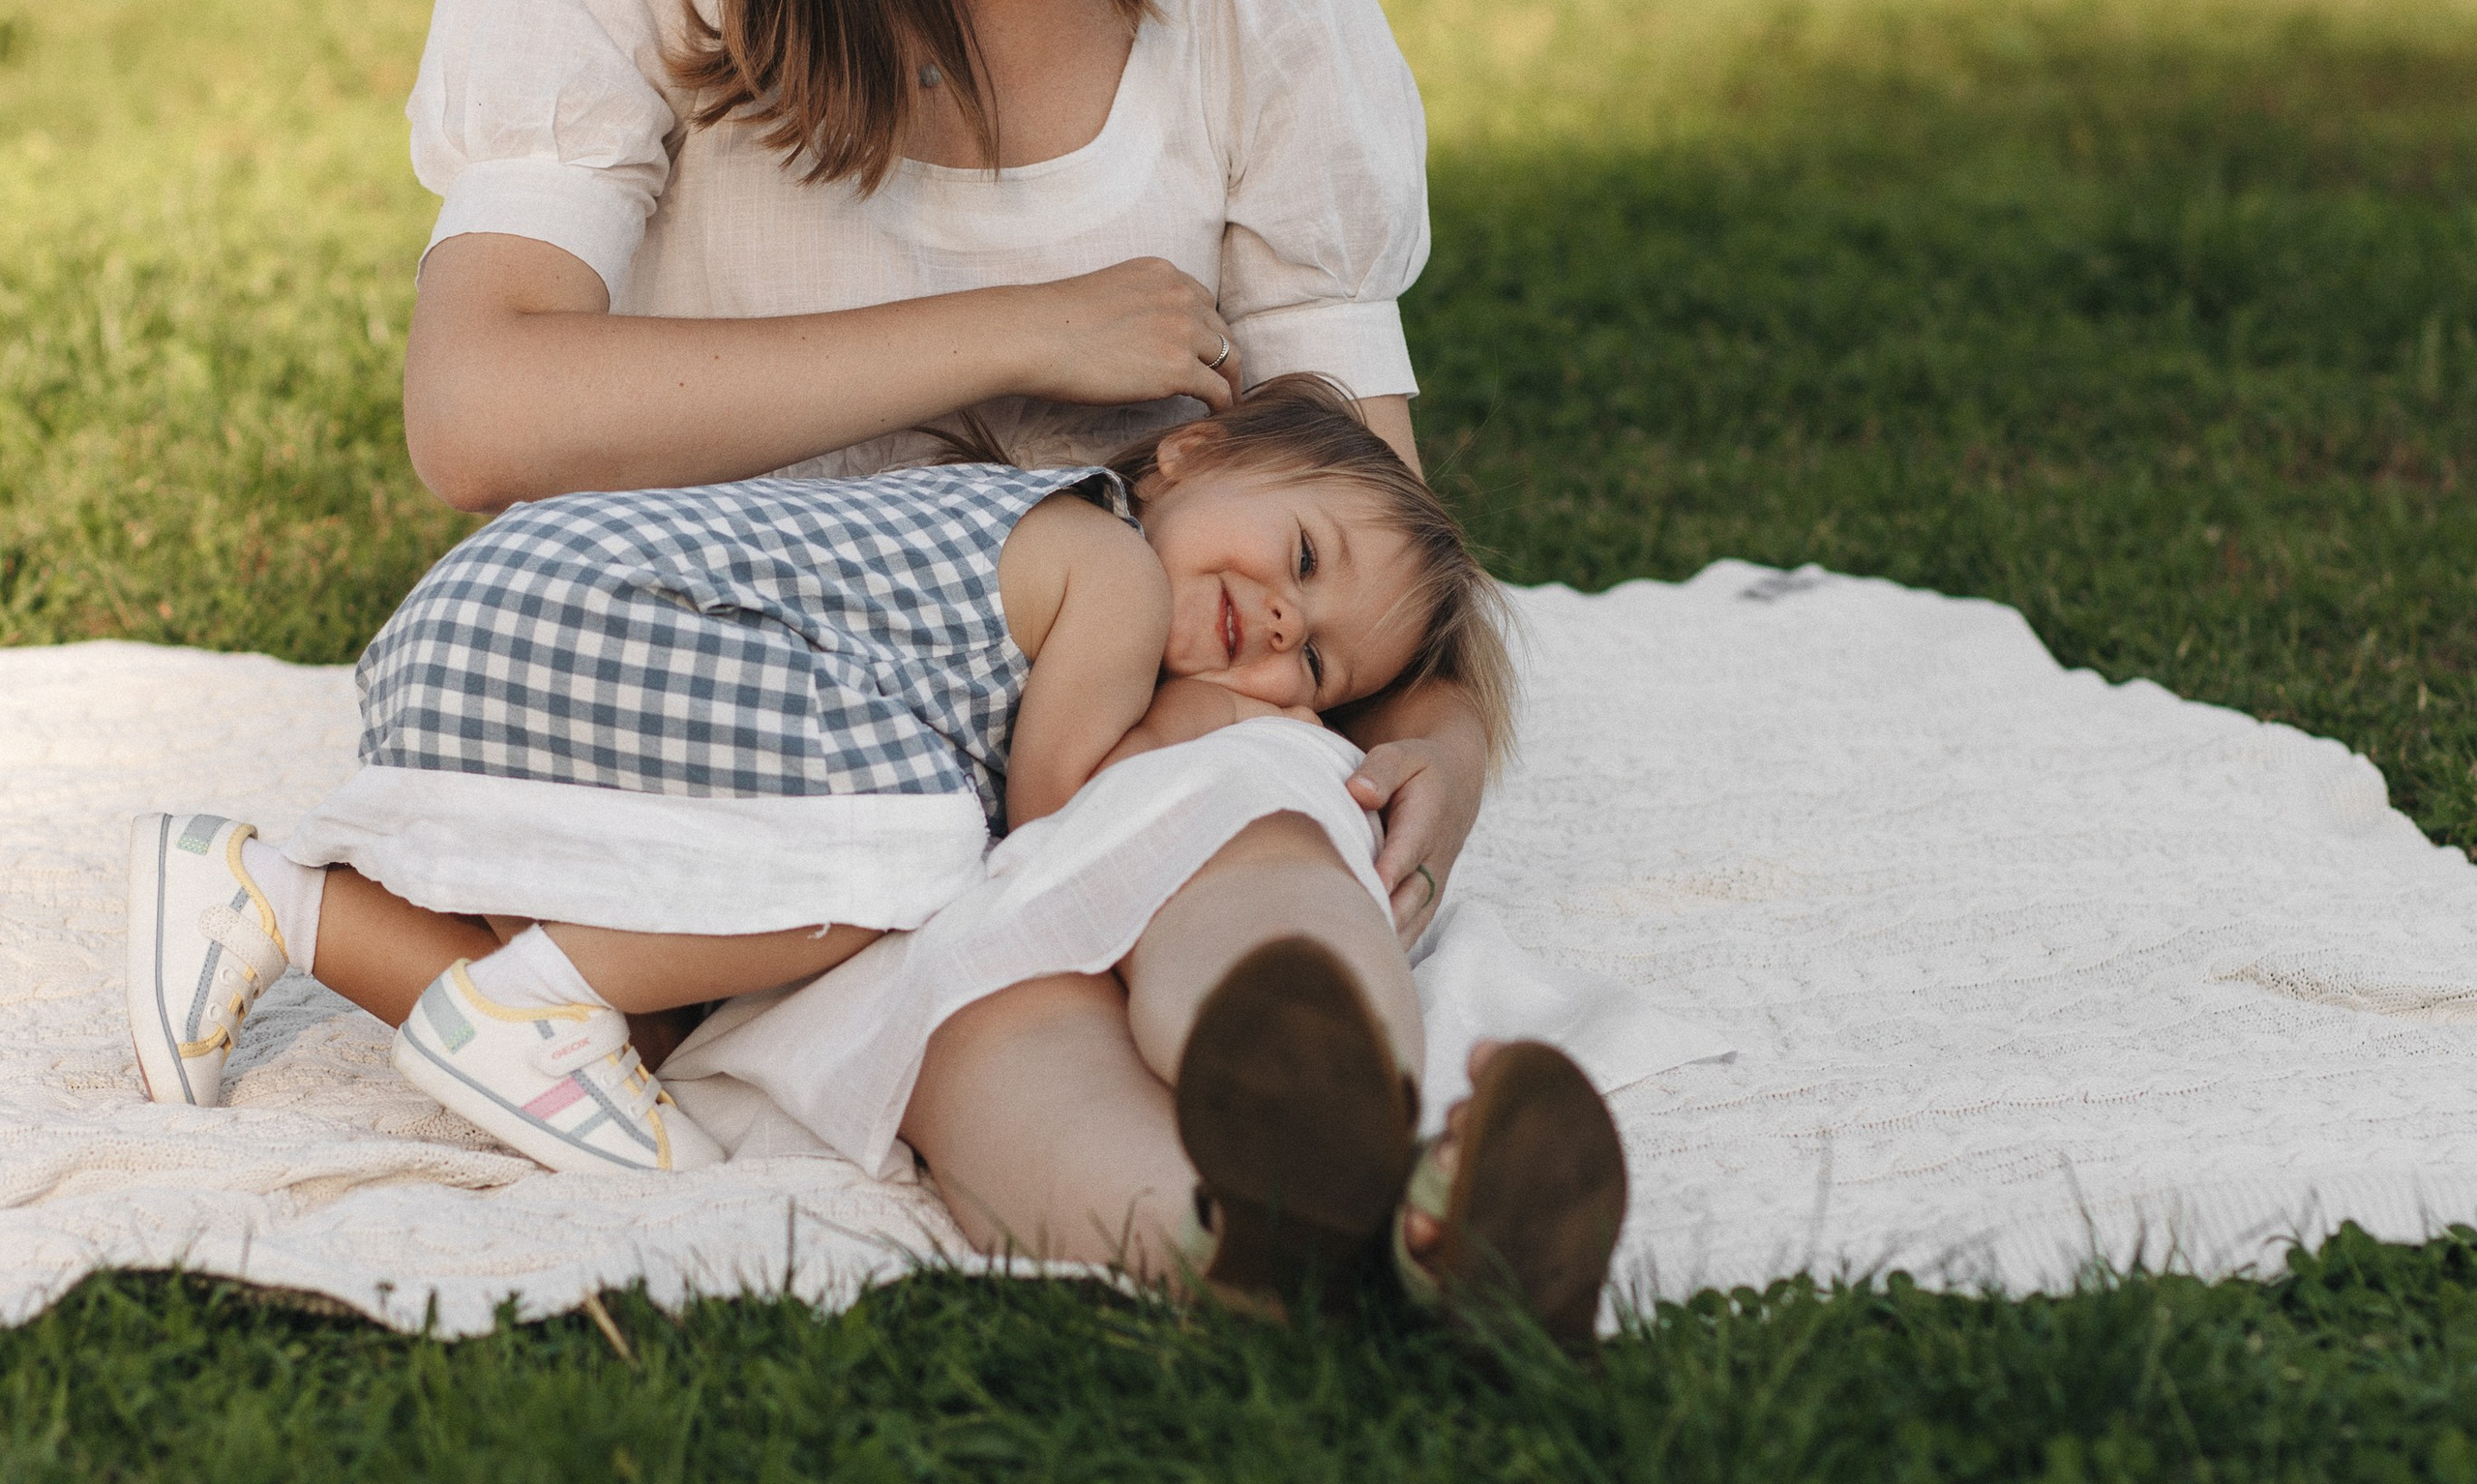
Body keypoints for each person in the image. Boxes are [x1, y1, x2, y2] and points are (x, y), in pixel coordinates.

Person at [134, 0, 1622, 1328]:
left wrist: (1436, 743)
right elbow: (476, 411)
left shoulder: (1258, 18)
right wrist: (1014, 332)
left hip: (1133, 774)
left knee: (1261, 830)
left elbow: (1371, 534)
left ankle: (1398, 1165)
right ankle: (1246, 1257)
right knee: (969, 1007)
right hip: (764, 803)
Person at [130, 382, 1619, 1322]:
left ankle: (1272, 1230)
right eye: (1298, 560)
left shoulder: (1211, 700)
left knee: (1233, 837)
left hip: (574, 677)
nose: (1286, 633)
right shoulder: (1093, 559)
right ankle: (1342, 1119)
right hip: (661, 667)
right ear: (1189, 450)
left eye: (1324, 668)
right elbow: (1052, 820)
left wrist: (1280, 729)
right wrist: (1174, 732)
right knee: (929, 859)